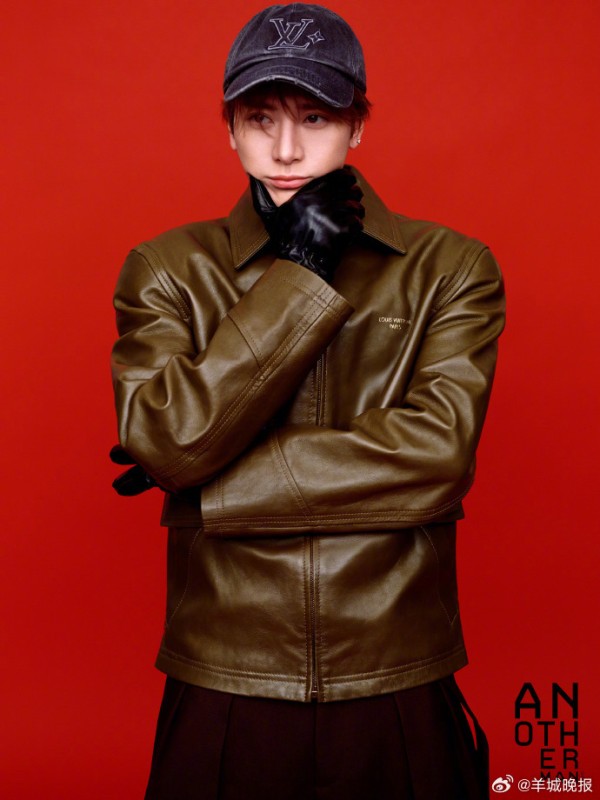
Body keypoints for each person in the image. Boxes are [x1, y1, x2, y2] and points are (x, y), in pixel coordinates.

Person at [110, 4, 505, 798]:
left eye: (316, 117)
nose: (286, 149)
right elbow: (167, 441)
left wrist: (206, 487)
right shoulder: (166, 268)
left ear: (358, 124)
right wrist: (299, 274)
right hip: (224, 672)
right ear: (229, 128)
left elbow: (437, 456)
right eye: (260, 118)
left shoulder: (451, 267)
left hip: (396, 668)